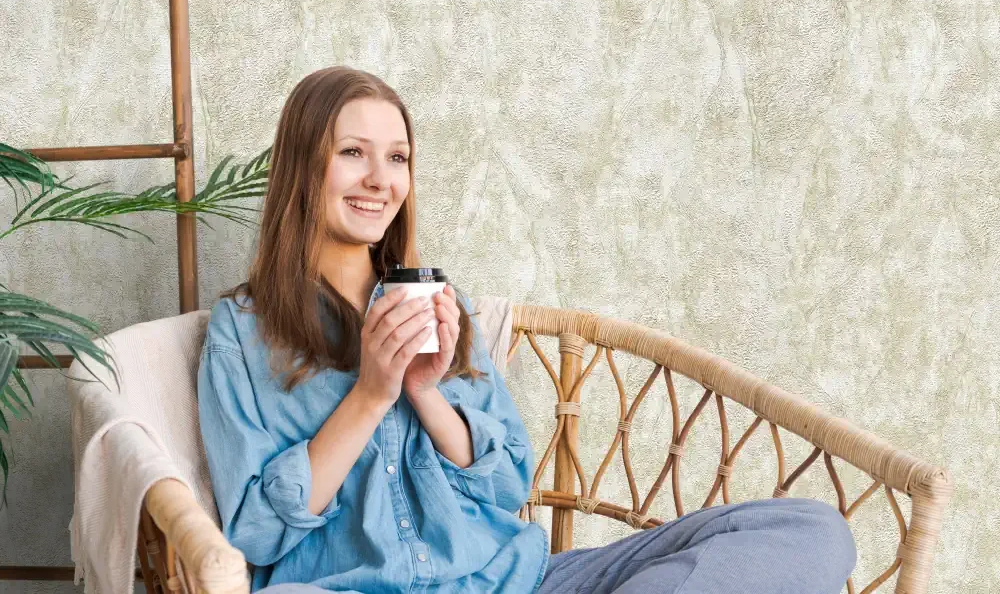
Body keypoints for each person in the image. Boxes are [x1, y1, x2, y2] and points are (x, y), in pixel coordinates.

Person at [197, 66, 857, 594]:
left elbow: (508, 485)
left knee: (810, 531)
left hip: (517, 580)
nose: (380, 179)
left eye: (397, 157)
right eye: (352, 153)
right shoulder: (243, 333)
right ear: (303, 165)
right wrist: (371, 395)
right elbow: (255, 533)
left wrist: (426, 393)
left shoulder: (441, 303)